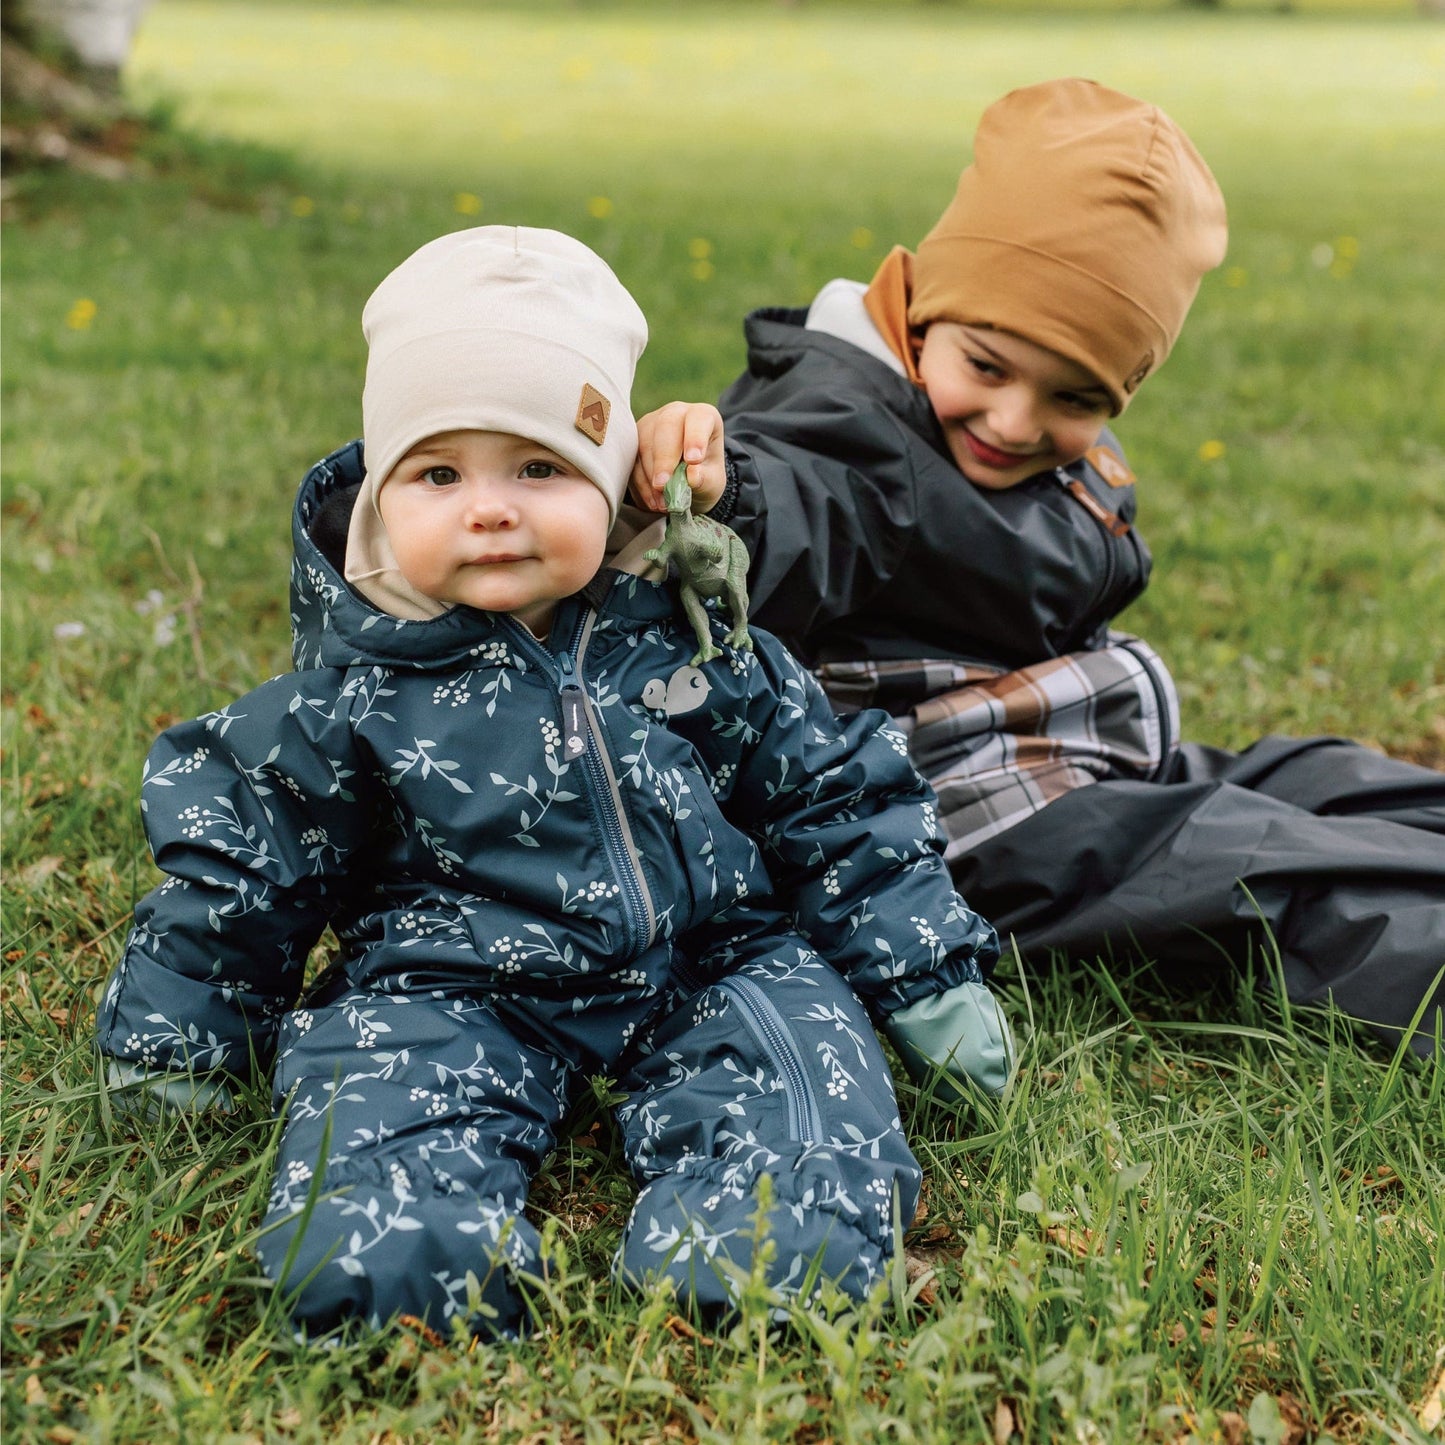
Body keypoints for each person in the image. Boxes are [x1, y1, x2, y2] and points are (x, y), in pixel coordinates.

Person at [94, 226, 1013, 1342]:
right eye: (439, 473)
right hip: (450, 977)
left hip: (707, 952)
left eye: (538, 467)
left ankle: (764, 1261)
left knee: (804, 1085)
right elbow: (241, 865)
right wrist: (178, 1038)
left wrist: (922, 971)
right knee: (374, 1112)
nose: (490, 507)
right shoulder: (355, 689)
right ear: (384, 497)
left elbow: (830, 791)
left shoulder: (692, 640)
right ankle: (409, 1279)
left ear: (612, 479)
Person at [632, 79, 1444, 1054]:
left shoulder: (1017, 442)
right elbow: (795, 506)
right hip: (935, 823)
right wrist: (727, 500)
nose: (1014, 421)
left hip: (1052, 760)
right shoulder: (849, 428)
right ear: (925, 314)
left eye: (1074, 395)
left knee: (1330, 781)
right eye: (986, 366)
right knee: (1268, 871)